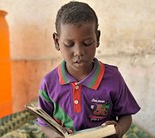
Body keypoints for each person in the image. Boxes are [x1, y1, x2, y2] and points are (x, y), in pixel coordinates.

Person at [37, 1, 140, 138]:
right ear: (57, 42)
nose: (78, 52)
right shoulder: (49, 83)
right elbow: (43, 122)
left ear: (97, 38)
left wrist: (119, 129)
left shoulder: (113, 78)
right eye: (69, 44)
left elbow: (126, 115)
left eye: (87, 43)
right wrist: (55, 135)